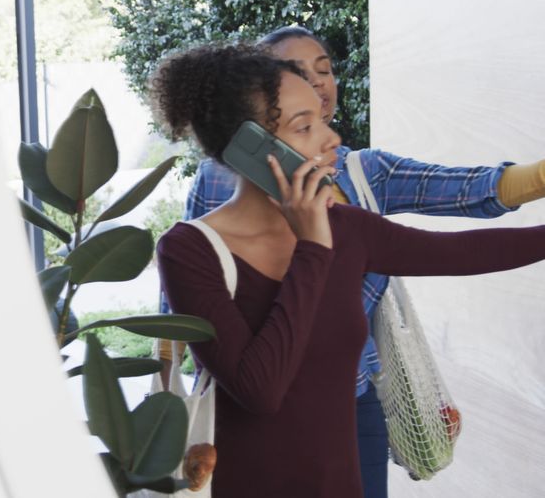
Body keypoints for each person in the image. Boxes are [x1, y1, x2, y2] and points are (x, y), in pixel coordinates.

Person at [157, 26, 545, 498]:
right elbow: (260, 387)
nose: (330, 138)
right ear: (250, 148)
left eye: (321, 119)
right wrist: (313, 249)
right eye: (304, 127)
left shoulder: (347, 227)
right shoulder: (189, 250)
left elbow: (465, 252)